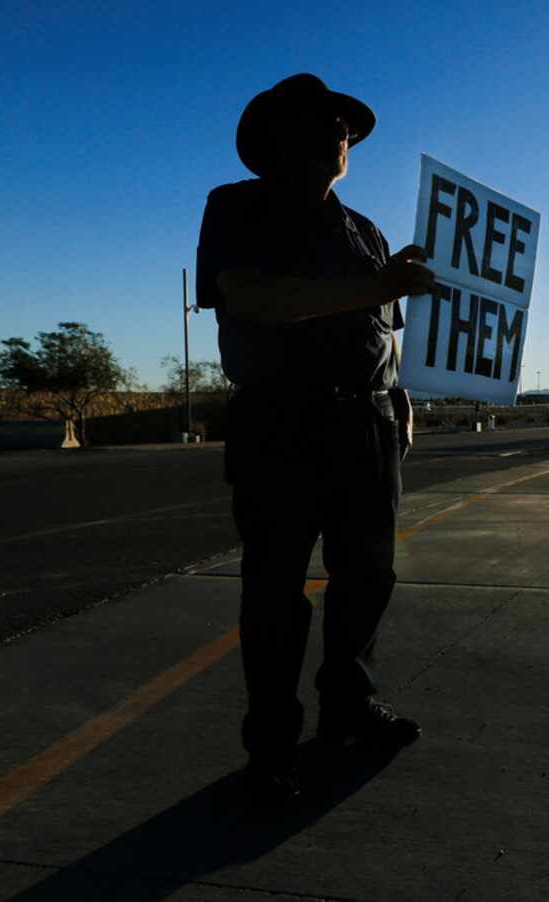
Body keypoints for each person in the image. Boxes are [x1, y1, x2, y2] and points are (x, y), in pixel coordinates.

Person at [195, 73, 436, 802]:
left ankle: (349, 706)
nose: (339, 134)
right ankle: (270, 748)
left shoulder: (365, 230)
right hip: (281, 423)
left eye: (343, 125)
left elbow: (380, 333)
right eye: (321, 122)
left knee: (369, 576)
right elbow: (256, 300)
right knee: (275, 591)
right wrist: (378, 288)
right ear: (276, 136)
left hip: (367, 426)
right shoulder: (239, 207)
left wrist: (399, 405)